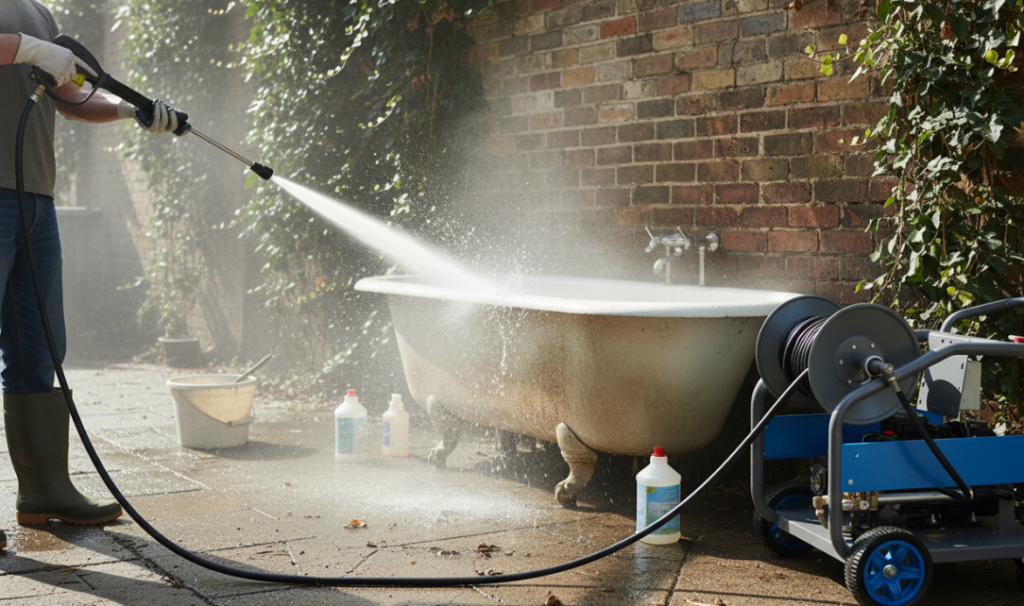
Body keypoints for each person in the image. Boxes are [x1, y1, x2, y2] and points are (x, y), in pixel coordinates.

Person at [0, 0, 180, 550]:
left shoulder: (36, 10)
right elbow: (38, 58)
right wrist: (34, 50)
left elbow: (70, 97)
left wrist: (132, 111)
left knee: (41, 349)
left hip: (36, 199)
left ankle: (44, 490)